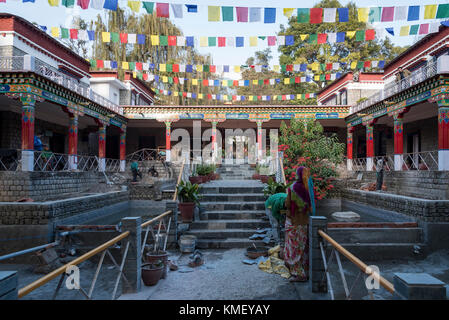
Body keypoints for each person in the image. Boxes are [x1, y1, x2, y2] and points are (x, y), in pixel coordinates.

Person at [283, 166, 315, 282]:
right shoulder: (308, 188)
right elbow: (311, 207)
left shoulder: (293, 187)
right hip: (304, 223)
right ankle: (305, 272)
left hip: (293, 222)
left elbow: (287, 204)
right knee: (302, 248)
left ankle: (298, 273)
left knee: (294, 248)